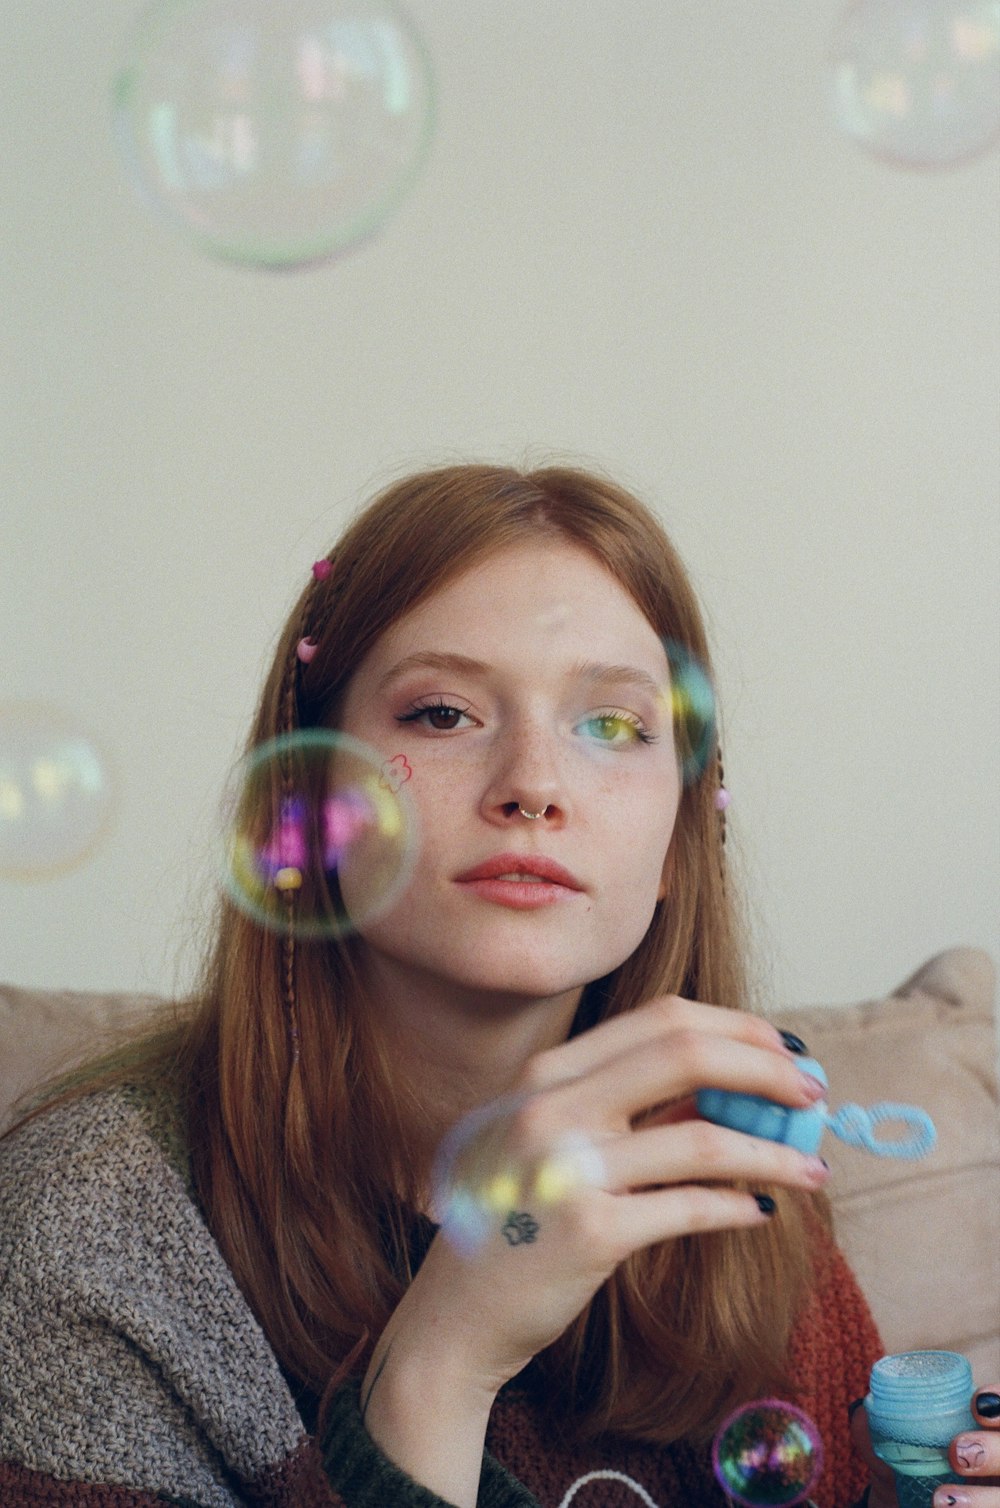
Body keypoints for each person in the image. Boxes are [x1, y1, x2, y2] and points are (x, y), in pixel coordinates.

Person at [0, 462, 995, 1508]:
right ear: (307, 801)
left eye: (610, 724)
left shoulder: (731, 1152)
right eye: (440, 712)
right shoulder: (88, 1228)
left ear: (675, 843)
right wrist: (444, 1355)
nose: (533, 782)